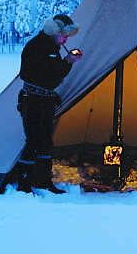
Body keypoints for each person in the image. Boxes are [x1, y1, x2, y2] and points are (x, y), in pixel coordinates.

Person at [16, 14, 82, 194]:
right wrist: (67, 62)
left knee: (45, 141)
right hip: (33, 100)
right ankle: (24, 182)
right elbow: (49, 78)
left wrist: (65, 62)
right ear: (54, 31)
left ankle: (42, 181)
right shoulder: (38, 47)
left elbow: (52, 76)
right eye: (64, 36)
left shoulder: (51, 47)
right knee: (34, 140)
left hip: (43, 100)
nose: (65, 40)